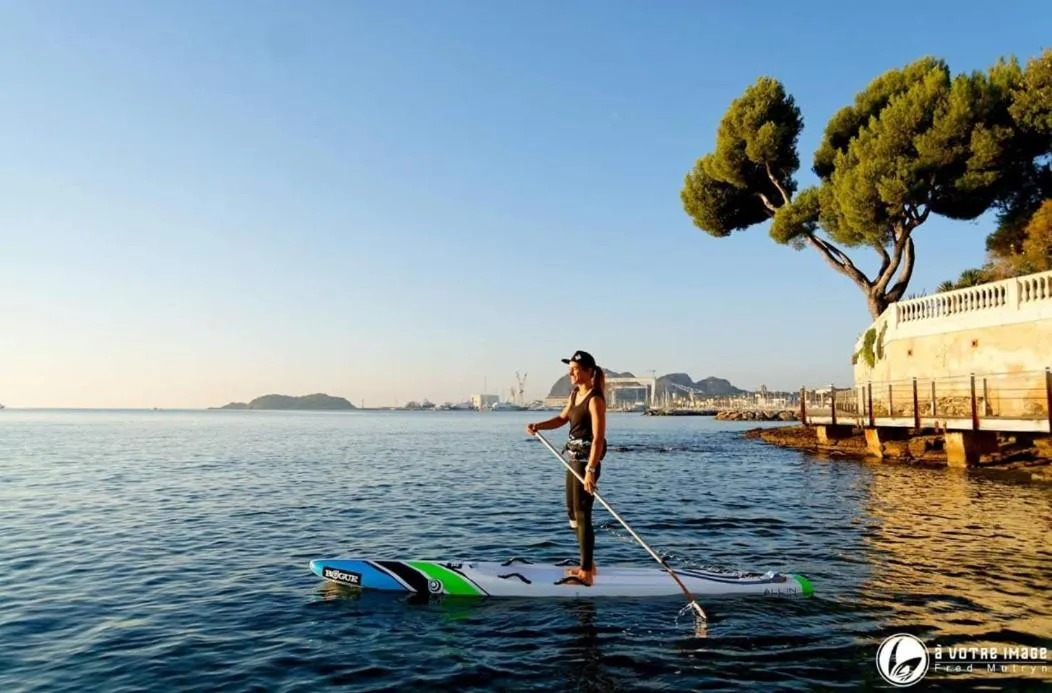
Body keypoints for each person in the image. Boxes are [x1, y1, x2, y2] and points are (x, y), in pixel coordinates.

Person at [526, 349, 607, 586]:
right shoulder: (574, 395)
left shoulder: (595, 399)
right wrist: (538, 425)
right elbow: (562, 419)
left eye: (575, 369)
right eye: (570, 369)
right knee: (572, 514)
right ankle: (587, 563)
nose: (571, 373)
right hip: (572, 460)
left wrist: (591, 470)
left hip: (586, 463)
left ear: (588, 371)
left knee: (583, 515)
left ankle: (587, 573)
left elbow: (599, 438)